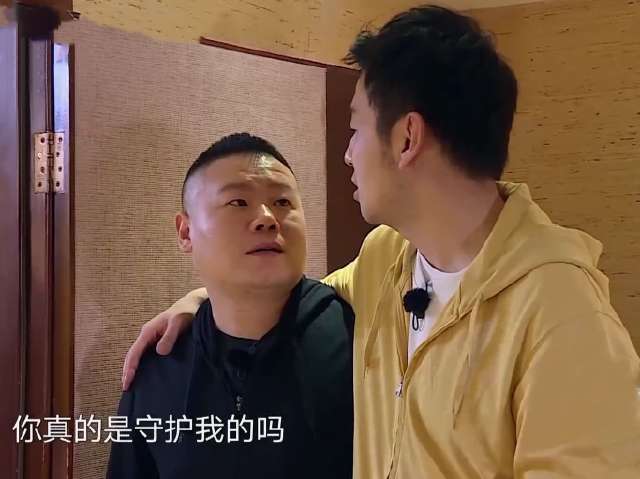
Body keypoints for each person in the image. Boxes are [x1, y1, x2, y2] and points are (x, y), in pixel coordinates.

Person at [121, 6, 640, 479]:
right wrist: (203, 300)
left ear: (407, 138)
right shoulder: (387, 258)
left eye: (356, 128)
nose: (348, 154)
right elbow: (282, 293)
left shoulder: (563, 316)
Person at [107, 133, 354, 479]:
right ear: (186, 232)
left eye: (282, 202)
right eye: (238, 202)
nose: (267, 218)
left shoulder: (360, 337)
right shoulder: (160, 361)